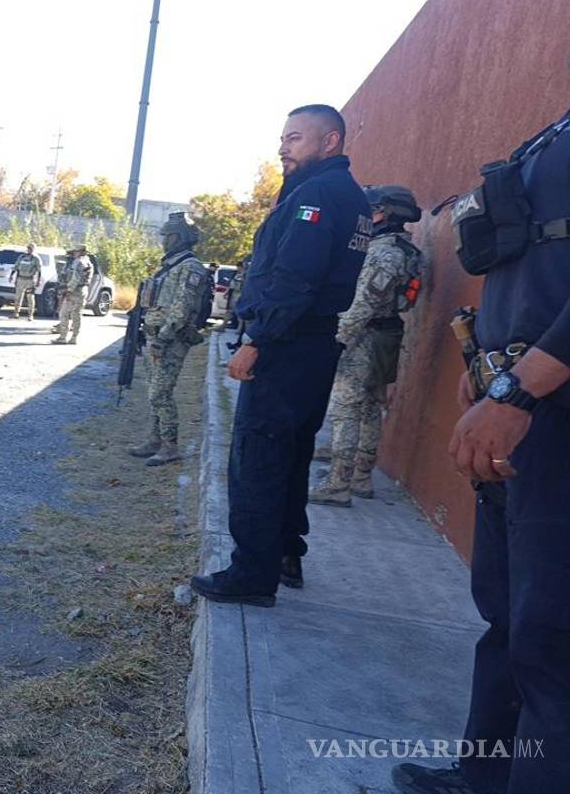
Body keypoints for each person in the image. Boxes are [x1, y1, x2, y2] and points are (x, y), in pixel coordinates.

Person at [391, 109, 570, 794]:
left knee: (553, 642)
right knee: (507, 616)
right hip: (516, 398)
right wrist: (488, 362)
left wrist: (518, 394)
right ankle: (483, 779)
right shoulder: (553, 132)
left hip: (546, 413)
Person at [190, 104, 372, 606]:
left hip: (288, 344)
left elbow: (295, 276)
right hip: (314, 344)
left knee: (259, 457)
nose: (282, 148)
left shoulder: (316, 194)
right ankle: (286, 551)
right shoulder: (350, 196)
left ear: (329, 142)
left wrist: (257, 340)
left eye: (294, 138)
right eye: (283, 139)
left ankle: (251, 575)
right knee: (291, 453)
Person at [309, 185, 423, 507]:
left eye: (373, 209)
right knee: (371, 406)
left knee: (347, 410)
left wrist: (338, 339)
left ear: (384, 213)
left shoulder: (384, 253)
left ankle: (338, 483)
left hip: (364, 337)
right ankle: (360, 475)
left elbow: (364, 303)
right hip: (384, 335)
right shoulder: (406, 250)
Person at [128, 213, 210, 466]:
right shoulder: (170, 265)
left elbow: (181, 308)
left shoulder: (189, 267)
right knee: (153, 392)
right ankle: (155, 439)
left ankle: (170, 446)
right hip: (156, 336)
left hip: (171, 340)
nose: (164, 240)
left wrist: (163, 338)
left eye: (169, 236)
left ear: (180, 238)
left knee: (161, 394)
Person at [51, 245, 94, 345]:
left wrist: (68, 291)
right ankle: (74, 338)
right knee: (77, 315)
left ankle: (62, 337)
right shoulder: (88, 262)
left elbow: (75, 278)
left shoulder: (79, 262)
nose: (74, 253)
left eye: (76, 252)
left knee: (63, 313)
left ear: (82, 252)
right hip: (82, 290)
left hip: (75, 291)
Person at [10, 243, 42, 320]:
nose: (29, 250)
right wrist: (11, 275)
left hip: (30, 280)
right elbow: (16, 266)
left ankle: (30, 315)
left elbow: (39, 270)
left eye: (31, 248)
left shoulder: (36, 258)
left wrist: (38, 280)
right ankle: (16, 313)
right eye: (28, 248)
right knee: (18, 296)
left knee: (30, 298)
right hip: (21, 279)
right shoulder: (22, 257)